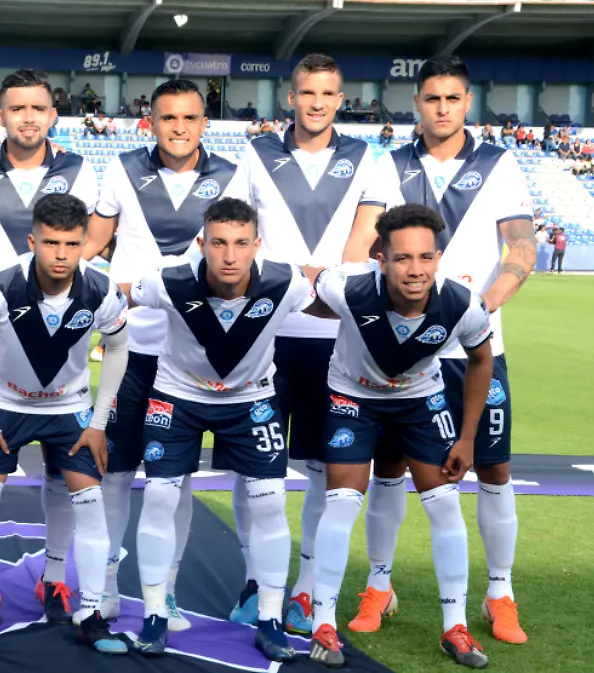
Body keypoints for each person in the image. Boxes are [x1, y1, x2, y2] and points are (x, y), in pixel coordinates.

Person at [342, 55, 534, 646]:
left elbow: (521, 249)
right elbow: (363, 245)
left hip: (475, 348)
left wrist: (476, 311)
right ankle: (379, 585)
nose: (442, 108)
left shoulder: (500, 163)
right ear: (417, 104)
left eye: (453, 98)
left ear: (467, 102)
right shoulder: (390, 165)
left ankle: (499, 593)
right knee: (389, 468)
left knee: (492, 467)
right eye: (432, 98)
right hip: (403, 352)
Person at [225, 52, 380, 636]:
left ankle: (308, 588)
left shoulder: (365, 157)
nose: (317, 103)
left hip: (335, 337)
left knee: (322, 469)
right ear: (290, 98)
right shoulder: (256, 153)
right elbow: (239, 230)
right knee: (254, 469)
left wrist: (325, 282)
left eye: (327, 94)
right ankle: (254, 579)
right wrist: (296, 279)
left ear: (341, 100)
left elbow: (365, 239)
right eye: (307, 93)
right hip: (265, 334)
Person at [0, 69, 100, 630]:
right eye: (17, 108)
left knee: (63, 475)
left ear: (52, 114)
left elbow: (89, 237)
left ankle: (54, 577)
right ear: (0, 115)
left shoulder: (80, 169)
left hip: (59, 337)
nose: (28, 117)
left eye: (38, 107)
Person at [304, 204, 492, 669]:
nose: (415, 269)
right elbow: (306, 281)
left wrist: (467, 438)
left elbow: (481, 360)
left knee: (445, 505)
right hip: (353, 397)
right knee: (341, 503)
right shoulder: (347, 285)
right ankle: (322, 624)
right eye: (403, 258)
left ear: (438, 258)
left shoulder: (463, 304)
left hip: (419, 401)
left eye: (426, 257)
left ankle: (455, 628)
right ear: (381, 260)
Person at [84, 78, 241, 631]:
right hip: (131, 349)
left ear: (205, 123)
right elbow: (91, 243)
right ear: (150, 121)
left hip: (191, 355)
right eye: (168, 117)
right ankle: (104, 587)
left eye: (190, 118)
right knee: (115, 474)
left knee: (175, 483)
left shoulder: (232, 175)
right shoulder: (122, 167)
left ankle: (166, 592)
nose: (179, 128)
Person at [127, 198, 313, 661]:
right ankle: (155, 614)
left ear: (257, 245)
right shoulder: (167, 280)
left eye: (241, 243)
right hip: (178, 396)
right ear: (201, 243)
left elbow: (330, 304)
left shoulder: (287, 282)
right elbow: (118, 296)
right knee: (160, 496)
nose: (230, 256)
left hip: (251, 400)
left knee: (269, 503)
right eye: (219, 243)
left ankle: (270, 619)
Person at [0, 194, 129, 656]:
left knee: (89, 501)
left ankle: (86, 610)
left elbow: (118, 347)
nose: (61, 254)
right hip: (3, 404)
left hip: (68, 406)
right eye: (51, 243)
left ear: (85, 243)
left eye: (71, 244)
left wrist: (99, 422)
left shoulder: (102, 290)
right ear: (33, 242)